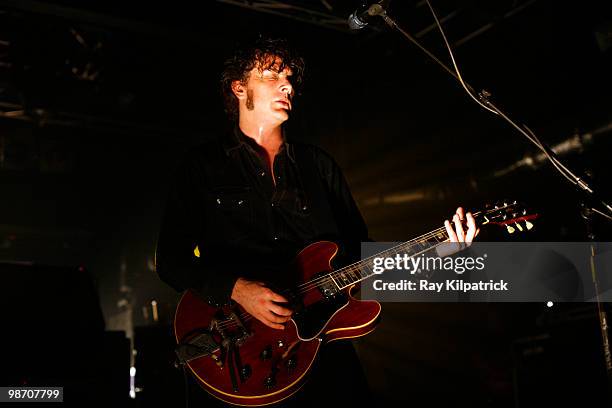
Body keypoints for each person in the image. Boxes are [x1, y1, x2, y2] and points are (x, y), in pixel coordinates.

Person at [155, 36, 478, 406]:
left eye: (289, 78)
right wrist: (237, 288)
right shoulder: (202, 167)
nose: (287, 85)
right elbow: (170, 260)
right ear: (239, 87)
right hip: (237, 348)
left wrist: (444, 247)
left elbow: (362, 263)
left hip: (322, 350)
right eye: (271, 76)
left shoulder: (318, 166)